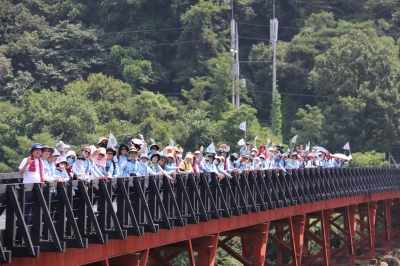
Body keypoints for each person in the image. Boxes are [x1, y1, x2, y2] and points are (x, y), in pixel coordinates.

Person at [18, 143, 46, 224]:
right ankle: (24, 226)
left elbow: (42, 175)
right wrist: (27, 164)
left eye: (40, 150)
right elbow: (20, 172)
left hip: (37, 188)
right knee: (25, 208)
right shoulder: (26, 160)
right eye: (36, 150)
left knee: (36, 208)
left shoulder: (41, 162)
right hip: (27, 188)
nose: (38, 152)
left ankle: (33, 226)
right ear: (32, 151)